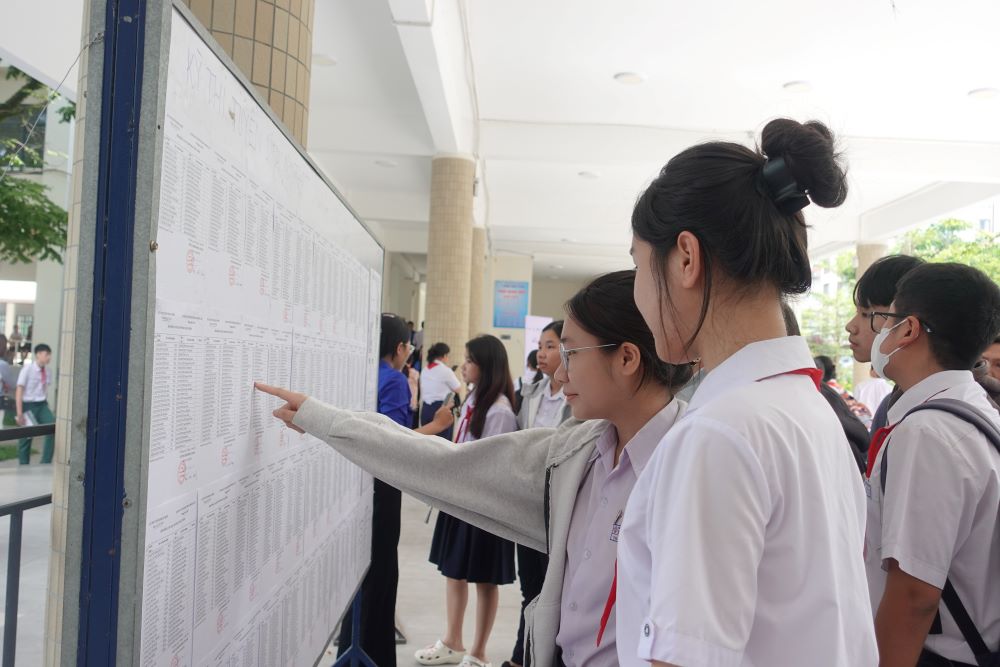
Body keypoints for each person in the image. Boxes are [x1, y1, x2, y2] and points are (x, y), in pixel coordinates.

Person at [255, 270, 693, 667]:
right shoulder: (576, 452)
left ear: (627, 359)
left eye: (571, 351)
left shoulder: (693, 468)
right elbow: (444, 467)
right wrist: (324, 420)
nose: (558, 372)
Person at [620, 118, 877, 665]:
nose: (638, 292)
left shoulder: (720, 431)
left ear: (685, 258)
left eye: (640, 264)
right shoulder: (807, 409)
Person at [863, 262, 1000, 667]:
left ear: (907, 329)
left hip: (941, 656)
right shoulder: (976, 411)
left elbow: (915, 596)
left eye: (884, 320)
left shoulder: (927, 433)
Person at [420, 335, 518, 667]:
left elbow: (494, 462)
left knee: (485, 581)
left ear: (487, 366)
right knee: (454, 571)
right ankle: (452, 641)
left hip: (485, 505)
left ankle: (478, 653)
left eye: (470, 360)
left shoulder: (501, 410)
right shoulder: (473, 398)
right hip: (461, 500)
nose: (464, 366)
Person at [336, 314, 412, 667]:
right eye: (407, 346)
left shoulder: (356, 376)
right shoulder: (395, 381)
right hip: (382, 486)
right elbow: (392, 443)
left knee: (359, 578)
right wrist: (437, 425)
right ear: (398, 347)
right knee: (380, 576)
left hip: (353, 485)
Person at [507, 323, 573, 667]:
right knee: (529, 587)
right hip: (527, 503)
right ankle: (522, 657)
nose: (542, 353)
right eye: (541, 345)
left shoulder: (579, 398)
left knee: (555, 592)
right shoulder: (530, 394)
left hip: (561, 506)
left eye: (551, 345)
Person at [845, 254, 926, 433]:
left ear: (909, 327)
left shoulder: (932, 420)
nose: (850, 326)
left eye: (866, 314)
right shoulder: (890, 407)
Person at [518, 321, 571, 430]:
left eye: (549, 346)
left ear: (568, 350)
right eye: (540, 347)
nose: (541, 354)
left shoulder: (579, 395)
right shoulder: (531, 393)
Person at [16, 343, 55, 464]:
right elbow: (19, 390)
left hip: (42, 405)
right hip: (28, 405)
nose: (49, 357)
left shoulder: (48, 371)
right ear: (38, 354)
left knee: (52, 427)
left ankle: (45, 461)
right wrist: (19, 413)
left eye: (50, 355)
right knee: (26, 436)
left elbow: (45, 389)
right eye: (47, 354)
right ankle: (23, 465)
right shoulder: (27, 369)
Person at [420, 342, 462, 440]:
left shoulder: (425, 369)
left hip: (426, 409)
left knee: (426, 441)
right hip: (441, 409)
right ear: (444, 356)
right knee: (443, 444)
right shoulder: (446, 371)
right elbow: (458, 388)